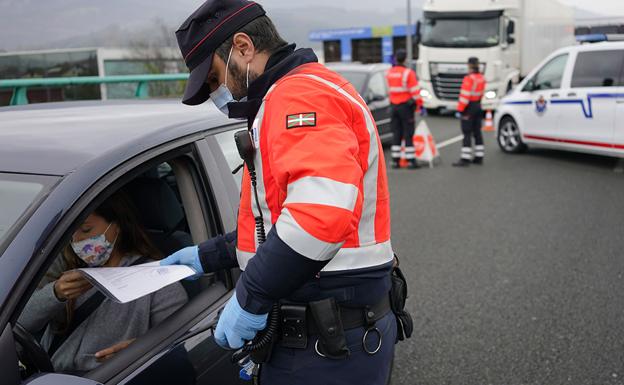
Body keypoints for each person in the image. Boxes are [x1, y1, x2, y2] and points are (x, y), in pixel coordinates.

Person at [161, 1, 412, 384]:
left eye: (214, 78)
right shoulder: (292, 93)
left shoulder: (299, 97)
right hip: (335, 332)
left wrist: (251, 296)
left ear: (243, 47)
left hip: (327, 341)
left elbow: (319, 217)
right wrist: (206, 256)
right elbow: (281, 222)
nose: (218, 92)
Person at [19, 191, 188, 374]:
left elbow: (178, 347)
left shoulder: (158, 282)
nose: (77, 241)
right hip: (47, 374)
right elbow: (19, 323)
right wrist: (55, 294)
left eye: (86, 230)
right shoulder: (65, 267)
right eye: (71, 233)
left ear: (117, 226)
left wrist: (139, 350)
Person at [386, 48, 424, 169]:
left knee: (396, 132)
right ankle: (411, 160)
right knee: (408, 133)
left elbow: (389, 90)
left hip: (393, 106)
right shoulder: (409, 73)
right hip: (406, 107)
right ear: (405, 59)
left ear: (396, 58)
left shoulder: (389, 72)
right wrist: (419, 105)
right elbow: (415, 93)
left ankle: (395, 160)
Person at [453, 57, 486, 167]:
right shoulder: (481, 78)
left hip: (469, 107)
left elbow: (464, 96)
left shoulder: (468, 79)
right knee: (477, 132)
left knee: (467, 132)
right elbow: (481, 93)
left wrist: (460, 109)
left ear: (469, 65)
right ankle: (479, 157)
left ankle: (465, 158)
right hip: (477, 105)